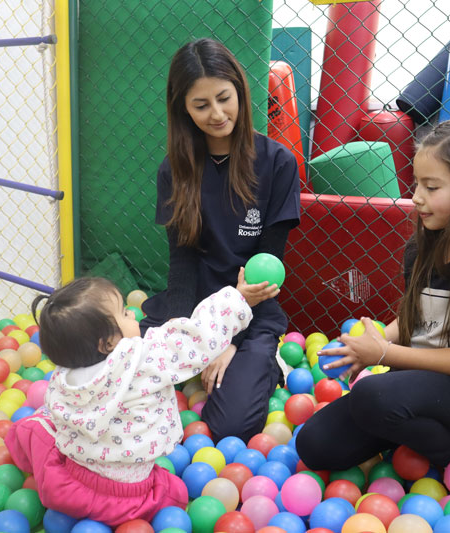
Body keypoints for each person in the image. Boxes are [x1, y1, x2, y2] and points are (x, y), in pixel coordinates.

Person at [296, 119, 450, 470]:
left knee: (371, 395)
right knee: (314, 445)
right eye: (416, 183)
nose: (416, 197)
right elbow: (416, 316)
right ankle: (412, 428)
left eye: (432, 187)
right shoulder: (423, 247)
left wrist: (385, 353)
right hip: (419, 387)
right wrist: (378, 339)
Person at [4, 271, 277, 526]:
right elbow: (195, 337)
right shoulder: (142, 359)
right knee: (177, 494)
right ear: (106, 343)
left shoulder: (64, 376)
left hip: (72, 483)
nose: (133, 315)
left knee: (35, 427)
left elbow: (57, 417)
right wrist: (238, 298)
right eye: (124, 313)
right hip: (130, 493)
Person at [139, 38, 301, 442]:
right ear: (183, 109)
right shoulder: (174, 170)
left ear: (241, 93)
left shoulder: (278, 163)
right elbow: (182, 266)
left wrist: (228, 339)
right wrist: (191, 338)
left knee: (230, 425)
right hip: (192, 307)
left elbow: (266, 276)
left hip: (250, 312)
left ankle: (267, 362)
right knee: (114, 371)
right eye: (201, 105)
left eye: (224, 98)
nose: (217, 114)